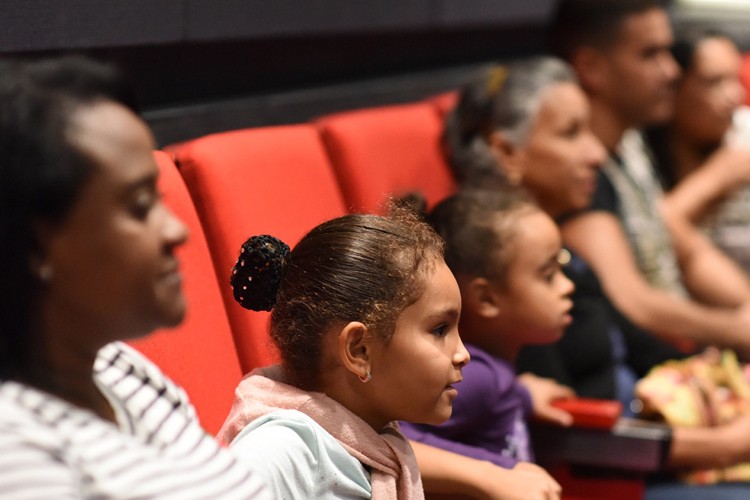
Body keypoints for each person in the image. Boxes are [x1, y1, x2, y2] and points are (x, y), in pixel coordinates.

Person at [444, 54, 750, 499]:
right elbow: (564, 431)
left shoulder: (560, 249)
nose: (595, 153)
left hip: (654, 429)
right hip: (616, 474)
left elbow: (639, 344)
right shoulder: (505, 277)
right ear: (507, 152)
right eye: (571, 134)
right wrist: (724, 444)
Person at [0, 56, 270, 498]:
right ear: (35, 246)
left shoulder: (119, 367)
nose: (177, 230)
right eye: (140, 206)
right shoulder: (15, 449)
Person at [217, 209, 471, 499]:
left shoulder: (376, 447)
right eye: (440, 330)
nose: (463, 354)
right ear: (358, 350)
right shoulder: (282, 449)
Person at [549, 0, 750, 359]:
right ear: (591, 67)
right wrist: (734, 329)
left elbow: (687, 252)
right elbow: (629, 300)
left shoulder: (631, 141)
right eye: (651, 54)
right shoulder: (579, 171)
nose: (672, 71)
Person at [400, 187, 576, 472]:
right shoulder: (477, 376)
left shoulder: (489, 373)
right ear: (486, 298)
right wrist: (500, 470)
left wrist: (523, 395)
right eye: (548, 275)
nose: (568, 286)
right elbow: (393, 438)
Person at [646, 28, 750, 274]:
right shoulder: (640, 149)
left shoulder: (744, 132)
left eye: (734, 79)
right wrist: (717, 177)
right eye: (714, 82)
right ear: (673, 89)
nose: (734, 95)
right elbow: (650, 232)